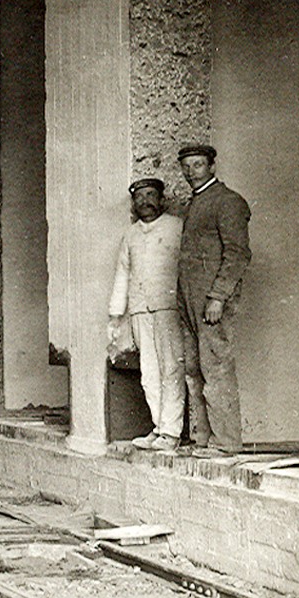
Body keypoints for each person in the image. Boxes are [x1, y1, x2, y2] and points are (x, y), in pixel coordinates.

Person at [175, 143, 251, 457]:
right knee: (194, 368)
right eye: (186, 166)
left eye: (198, 165)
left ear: (212, 167)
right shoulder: (195, 204)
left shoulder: (227, 201)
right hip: (189, 300)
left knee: (216, 366)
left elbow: (237, 254)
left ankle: (227, 441)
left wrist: (218, 297)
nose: (191, 172)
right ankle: (203, 438)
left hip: (211, 301)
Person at [108, 177, 185, 451]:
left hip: (169, 308)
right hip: (141, 309)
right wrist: (116, 314)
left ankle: (172, 432)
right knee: (149, 373)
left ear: (161, 199)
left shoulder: (177, 227)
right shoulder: (130, 235)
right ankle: (159, 427)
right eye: (139, 197)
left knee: (171, 368)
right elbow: (123, 273)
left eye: (150, 195)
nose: (145, 201)